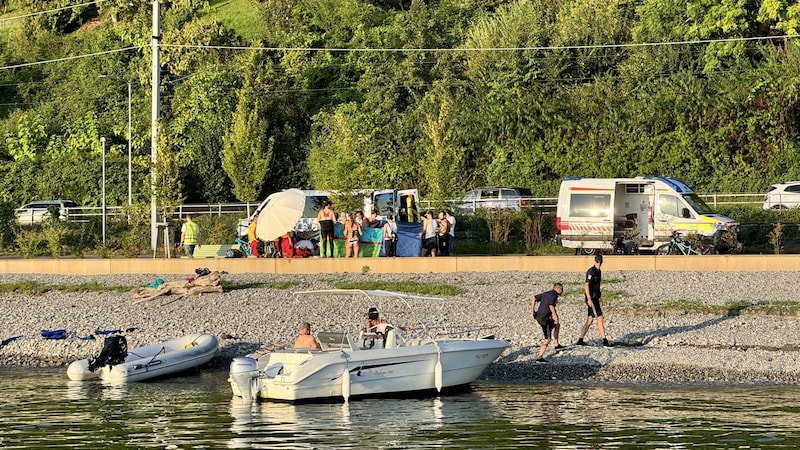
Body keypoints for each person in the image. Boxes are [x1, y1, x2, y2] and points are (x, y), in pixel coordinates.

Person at [576, 254, 611, 347]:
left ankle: (580, 339)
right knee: (600, 317)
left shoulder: (599, 271)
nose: (599, 263)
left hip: (595, 297)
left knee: (590, 319)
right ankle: (604, 340)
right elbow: (586, 285)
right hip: (591, 298)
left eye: (600, 262)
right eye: (597, 261)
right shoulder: (591, 271)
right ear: (595, 261)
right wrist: (589, 299)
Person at [531, 283, 564, 362]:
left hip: (539, 316)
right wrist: (556, 316)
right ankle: (540, 357)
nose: (562, 291)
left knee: (557, 325)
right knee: (548, 339)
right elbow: (551, 306)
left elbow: (533, 298)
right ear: (557, 288)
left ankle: (556, 344)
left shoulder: (546, 293)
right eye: (562, 289)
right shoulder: (553, 295)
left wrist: (532, 311)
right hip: (544, 319)